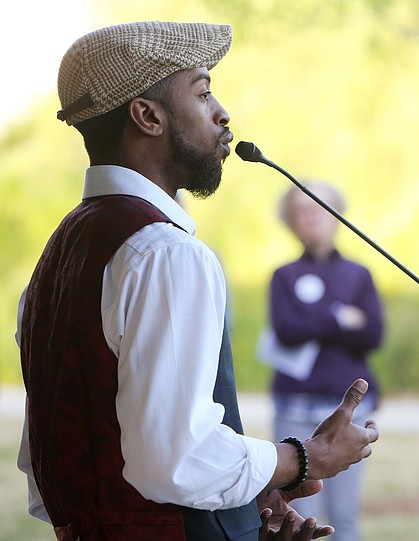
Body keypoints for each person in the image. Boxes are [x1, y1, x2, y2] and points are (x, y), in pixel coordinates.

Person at [16, 21, 378, 541]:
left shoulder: (60, 253)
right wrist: (305, 457)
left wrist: (237, 505)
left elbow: (52, 463)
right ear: (147, 116)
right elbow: (176, 459)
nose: (222, 112)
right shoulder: (164, 253)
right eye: (204, 92)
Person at [266, 182, 384, 541]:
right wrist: (338, 318)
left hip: (346, 409)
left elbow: (372, 335)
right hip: (295, 407)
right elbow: (286, 330)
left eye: (319, 208)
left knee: (345, 516)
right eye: (302, 210)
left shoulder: (358, 275)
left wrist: (313, 322)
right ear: (291, 221)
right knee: (300, 516)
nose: (312, 216)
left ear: (336, 216)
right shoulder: (284, 276)